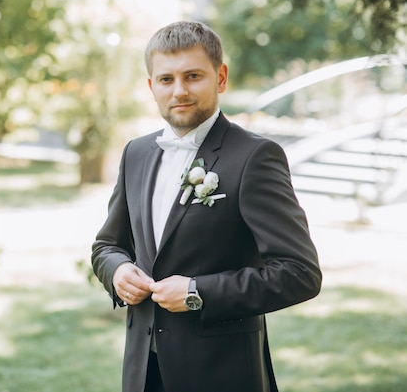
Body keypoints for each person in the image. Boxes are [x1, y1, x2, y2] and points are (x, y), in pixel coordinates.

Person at [91, 20, 322, 392]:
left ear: (221, 77)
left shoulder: (255, 157)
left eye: (193, 76)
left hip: (222, 373)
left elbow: (299, 273)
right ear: (152, 87)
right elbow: (107, 246)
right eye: (166, 80)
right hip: (142, 371)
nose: (179, 90)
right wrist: (117, 272)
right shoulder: (135, 153)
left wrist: (198, 292)